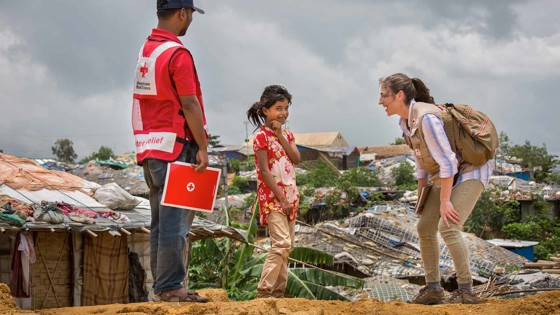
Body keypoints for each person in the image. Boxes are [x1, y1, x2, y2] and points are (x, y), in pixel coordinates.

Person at [378, 73, 493, 305]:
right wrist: (422, 200)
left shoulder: (426, 118)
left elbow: (448, 162)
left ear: (399, 95)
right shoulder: (406, 123)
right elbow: (422, 167)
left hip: (471, 169)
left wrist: (444, 202)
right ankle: (433, 289)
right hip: (447, 174)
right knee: (424, 226)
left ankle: (466, 290)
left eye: (384, 96)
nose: (380, 102)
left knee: (448, 226)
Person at [131, 0, 209, 303]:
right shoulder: (176, 53)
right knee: (175, 222)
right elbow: (189, 104)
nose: (190, 19)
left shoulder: (147, 52)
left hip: (150, 148)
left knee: (160, 222)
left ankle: (164, 285)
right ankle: (172, 286)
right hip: (175, 147)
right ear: (182, 13)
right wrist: (202, 147)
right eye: (190, 14)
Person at [246, 85, 301, 298]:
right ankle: (264, 290)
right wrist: (281, 198)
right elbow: (264, 171)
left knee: (288, 247)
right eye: (278, 108)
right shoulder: (261, 137)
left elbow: (296, 159)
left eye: (286, 108)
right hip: (272, 197)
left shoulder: (287, 134)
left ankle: (279, 291)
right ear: (265, 110)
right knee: (281, 243)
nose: (283, 113)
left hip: (291, 196)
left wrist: (281, 136)